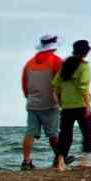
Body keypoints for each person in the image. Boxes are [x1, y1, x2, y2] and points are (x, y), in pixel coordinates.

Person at [20, 33, 63, 171]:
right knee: (53, 134)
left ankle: (26, 161)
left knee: (30, 133)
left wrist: (29, 96)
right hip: (50, 103)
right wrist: (61, 101)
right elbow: (60, 83)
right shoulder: (57, 61)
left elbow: (24, 84)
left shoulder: (29, 63)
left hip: (33, 103)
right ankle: (58, 158)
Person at [52, 38, 91, 170]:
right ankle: (85, 161)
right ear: (87, 52)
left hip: (67, 106)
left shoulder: (65, 65)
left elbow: (56, 85)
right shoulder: (84, 66)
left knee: (65, 135)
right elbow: (83, 88)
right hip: (81, 105)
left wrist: (59, 101)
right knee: (87, 133)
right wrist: (88, 106)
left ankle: (60, 161)